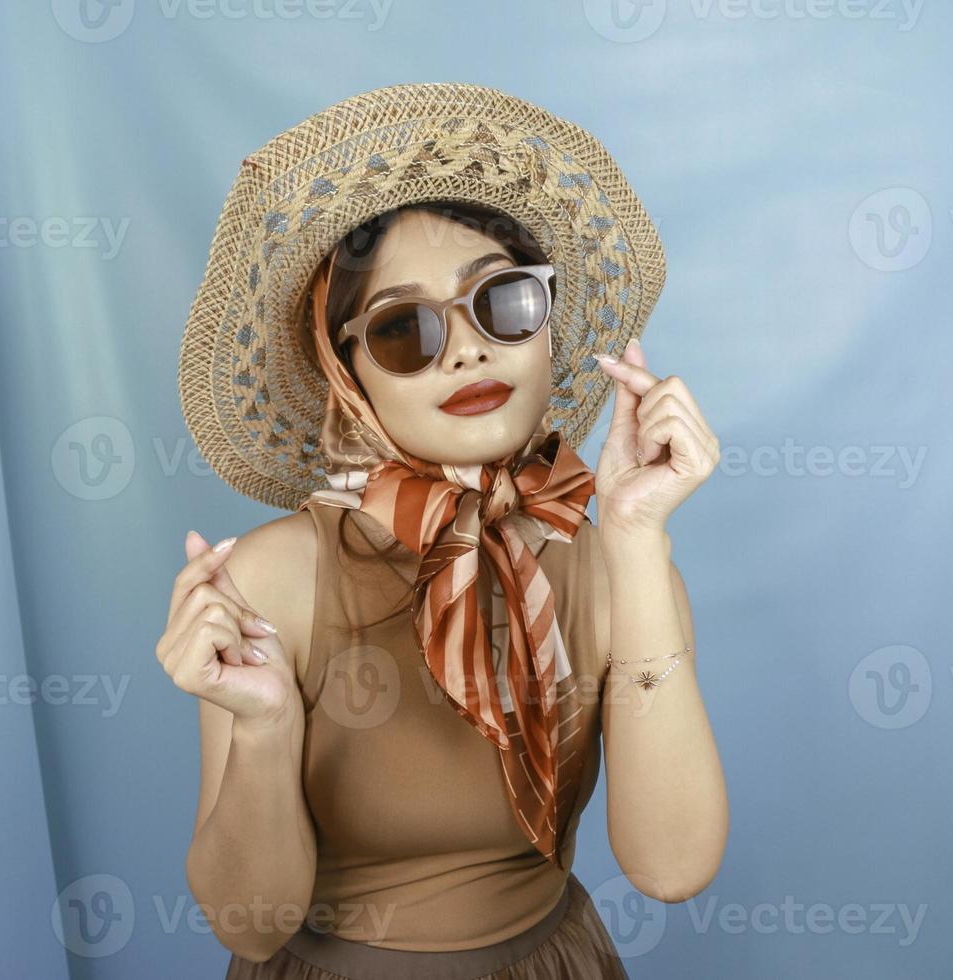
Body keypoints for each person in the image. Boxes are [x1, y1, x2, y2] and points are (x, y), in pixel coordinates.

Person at [159, 83, 728, 979]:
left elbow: (672, 867)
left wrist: (635, 539)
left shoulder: (613, 556)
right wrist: (265, 728)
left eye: (501, 302)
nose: (466, 349)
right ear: (350, 377)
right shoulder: (275, 578)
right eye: (404, 331)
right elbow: (250, 924)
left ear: (549, 328)